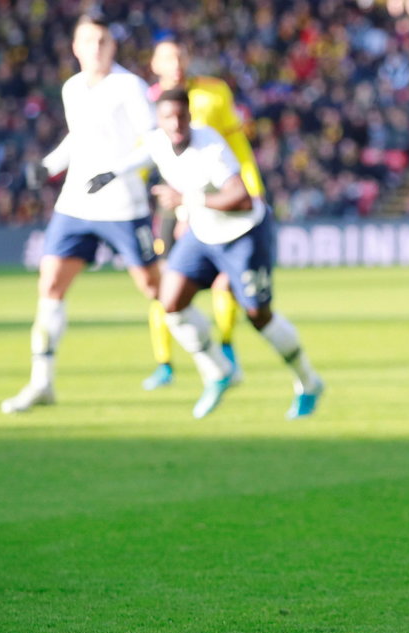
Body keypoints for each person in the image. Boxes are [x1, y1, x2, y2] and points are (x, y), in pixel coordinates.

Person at [90, 88, 323, 419]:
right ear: (159, 120)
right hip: (203, 235)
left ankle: (309, 382)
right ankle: (219, 371)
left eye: (181, 116)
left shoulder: (210, 146)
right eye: (168, 117)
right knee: (170, 302)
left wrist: (187, 199)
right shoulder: (158, 141)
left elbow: (241, 198)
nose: (176, 124)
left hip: (243, 234)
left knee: (259, 315)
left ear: (189, 116)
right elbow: (141, 156)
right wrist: (108, 175)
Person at [1, 13, 161, 414]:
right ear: (75, 47)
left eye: (103, 41)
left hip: (124, 203)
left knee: (156, 291)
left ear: (113, 45)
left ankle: (212, 363)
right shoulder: (73, 87)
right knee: (51, 283)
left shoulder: (129, 86)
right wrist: (49, 165)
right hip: (76, 203)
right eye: (89, 41)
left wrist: (116, 171)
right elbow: (79, 137)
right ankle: (42, 383)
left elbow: (153, 143)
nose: (96, 48)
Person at [140, 37, 265, 391]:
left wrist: (251, 185)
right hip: (171, 200)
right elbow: (141, 154)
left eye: (180, 56)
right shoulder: (145, 102)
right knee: (163, 282)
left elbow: (236, 143)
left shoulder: (214, 92)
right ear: (155, 64)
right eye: (168, 58)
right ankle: (164, 363)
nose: (176, 63)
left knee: (225, 279)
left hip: (211, 200)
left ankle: (226, 347)